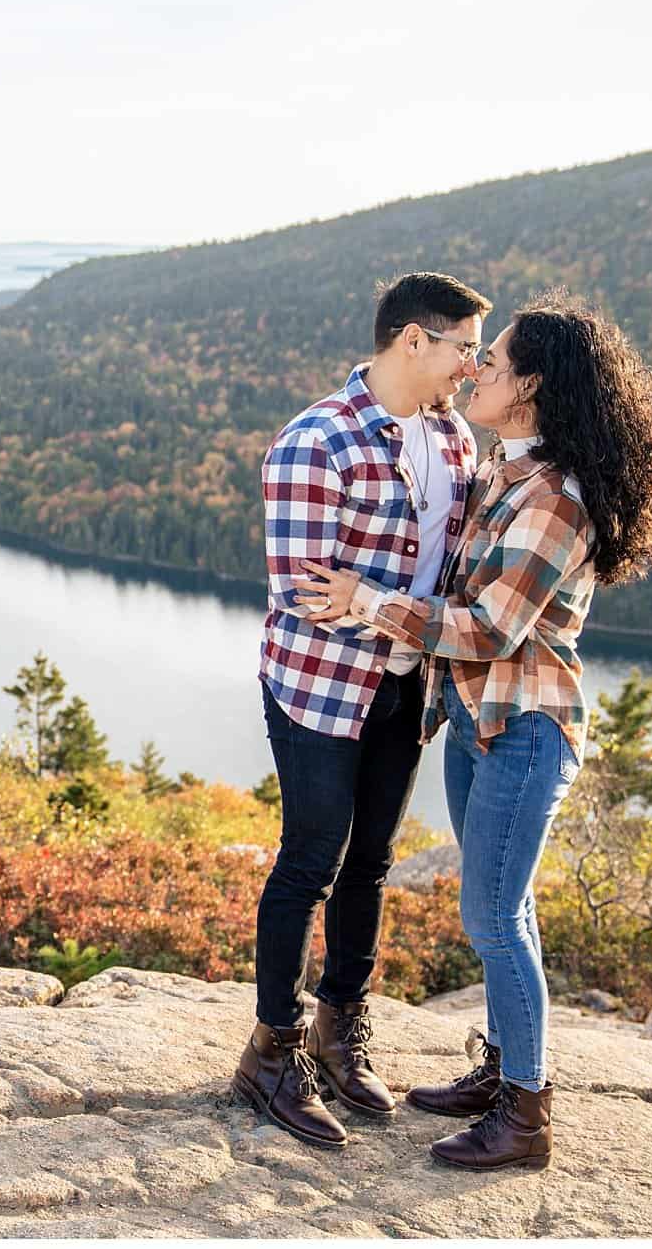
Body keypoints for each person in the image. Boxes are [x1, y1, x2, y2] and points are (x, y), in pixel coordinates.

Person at [294, 289, 652, 1170]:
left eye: (495, 358)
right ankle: (505, 1069)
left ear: (533, 387)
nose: (475, 368)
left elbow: (487, 628)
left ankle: (526, 1115)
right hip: (480, 726)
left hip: (526, 729)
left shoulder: (555, 497)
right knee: (505, 911)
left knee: (492, 917)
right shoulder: (504, 466)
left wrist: (365, 602)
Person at [235, 272, 490, 1150]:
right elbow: (309, 593)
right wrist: (383, 602)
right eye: (464, 346)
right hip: (319, 684)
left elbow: (443, 572)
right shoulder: (319, 441)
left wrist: (380, 603)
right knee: (310, 858)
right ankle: (270, 1053)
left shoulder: (453, 439)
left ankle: (341, 1029)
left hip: (403, 683)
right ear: (412, 341)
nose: (473, 364)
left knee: (372, 862)